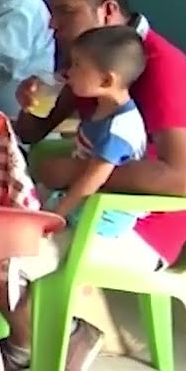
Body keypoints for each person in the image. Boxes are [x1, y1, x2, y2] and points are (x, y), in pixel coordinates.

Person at [3, 0, 186, 371]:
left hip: (150, 224)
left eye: (66, 11)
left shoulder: (160, 65)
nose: (53, 25)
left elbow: (182, 181)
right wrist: (28, 103)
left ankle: (58, 335)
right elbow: (35, 130)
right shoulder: (90, 59)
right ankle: (25, 339)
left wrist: (72, 174)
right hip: (98, 202)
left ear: (108, 11)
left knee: (13, 250)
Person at [39, 25, 147, 235]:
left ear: (106, 80)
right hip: (83, 199)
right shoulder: (104, 108)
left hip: (103, 214)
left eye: (78, 66)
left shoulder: (118, 130)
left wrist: (57, 215)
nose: (70, 72)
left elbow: (91, 180)